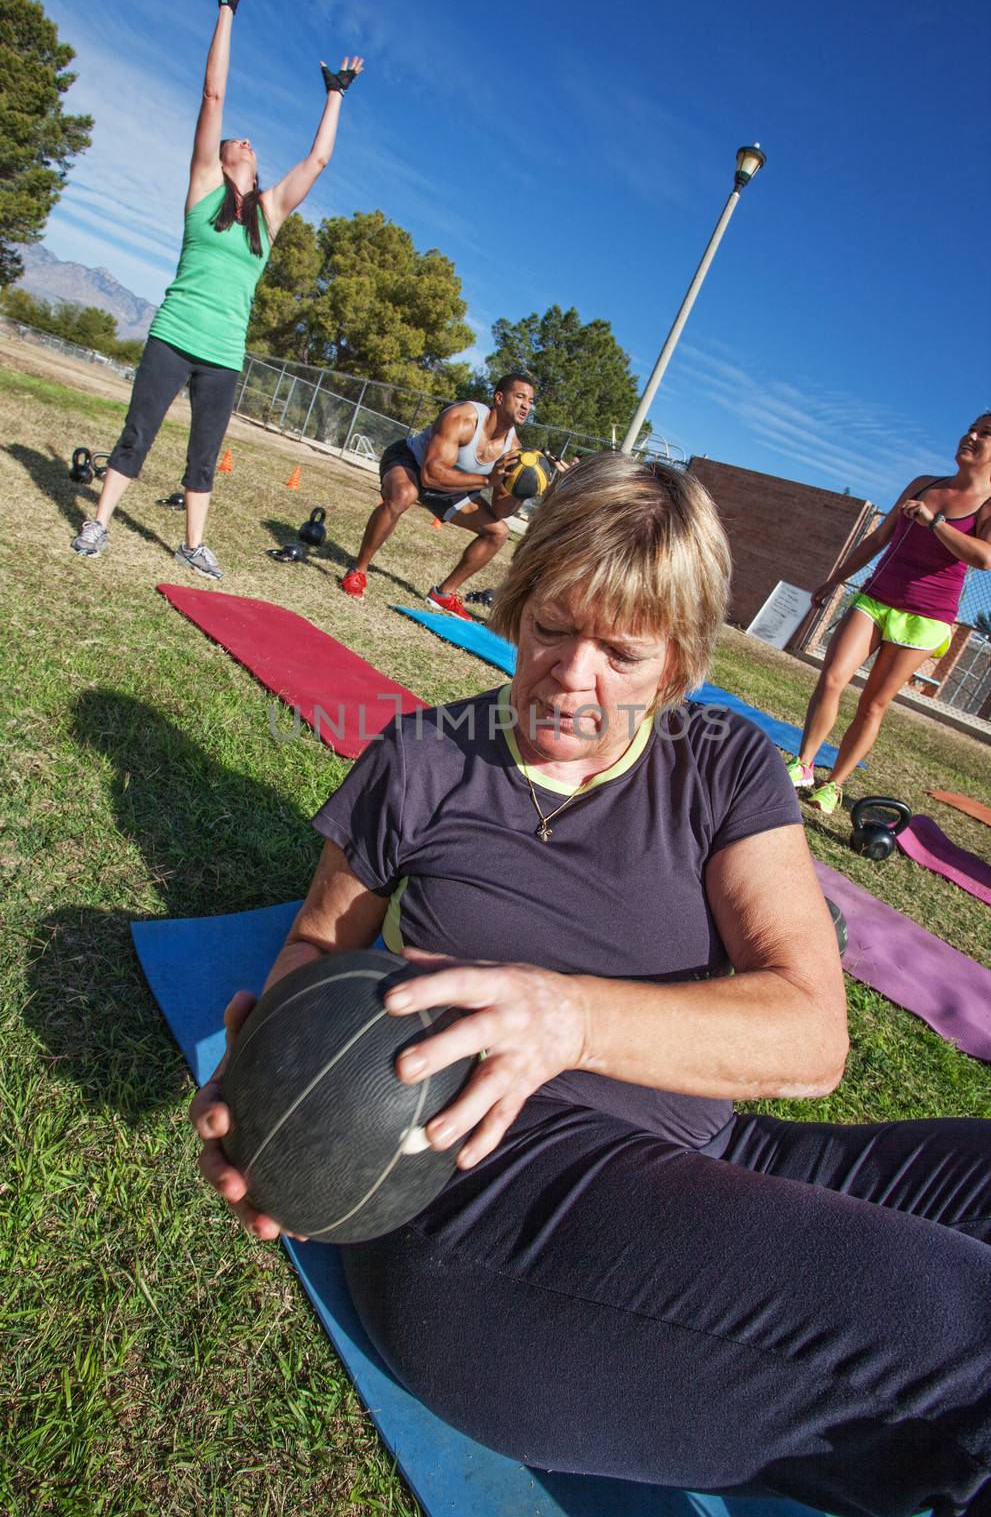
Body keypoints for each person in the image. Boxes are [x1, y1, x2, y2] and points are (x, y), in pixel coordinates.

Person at [193, 454, 991, 1515]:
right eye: (552, 629)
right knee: (964, 1332)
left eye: (621, 650)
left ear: (677, 662)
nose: (573, 676)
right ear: (515, 608)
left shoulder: (723, 763)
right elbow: (315, 946)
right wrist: (278, 1089)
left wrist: (563, 1013)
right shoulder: (424, 758)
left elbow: (811, 1034)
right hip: (486, 1185)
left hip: (718, 1151)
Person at [70, 0, 363, 579]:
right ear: (226, 156)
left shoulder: (269, 213)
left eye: (250, 143)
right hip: (174, 335)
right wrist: (226, 7)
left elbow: (316, 162)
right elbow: (212, 95)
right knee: (134, 436)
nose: (246, 139)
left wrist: (335, 95)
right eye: (240, 139)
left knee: (205, 455)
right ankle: (98, 523)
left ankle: (191, 543)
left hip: (225, 352)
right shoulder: (203, 186)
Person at [785, 412, 991, 812]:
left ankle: (835, 785)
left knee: (874, 704)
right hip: (876, 597)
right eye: (971, 427)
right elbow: (880, 537)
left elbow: (984, 558)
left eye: (985, 434)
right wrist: (836, 579)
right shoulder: (923, 484)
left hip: (927, 616)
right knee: (832, 678)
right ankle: (804, 764)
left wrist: (935, 524)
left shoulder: (987, 506)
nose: (970, 435)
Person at [339, 374, 536, 618]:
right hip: (411, 462)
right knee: (405, 494)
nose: (526, 405)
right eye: (520, 397)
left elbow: (502, 510)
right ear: (499, 397)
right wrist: (487, 480)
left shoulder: (513, 449)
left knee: (498, 532)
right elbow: (430, 476)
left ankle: (443, 594)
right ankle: (358, 571)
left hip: (451, 486)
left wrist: (522, 490)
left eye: (530, 401)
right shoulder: (463, 418)